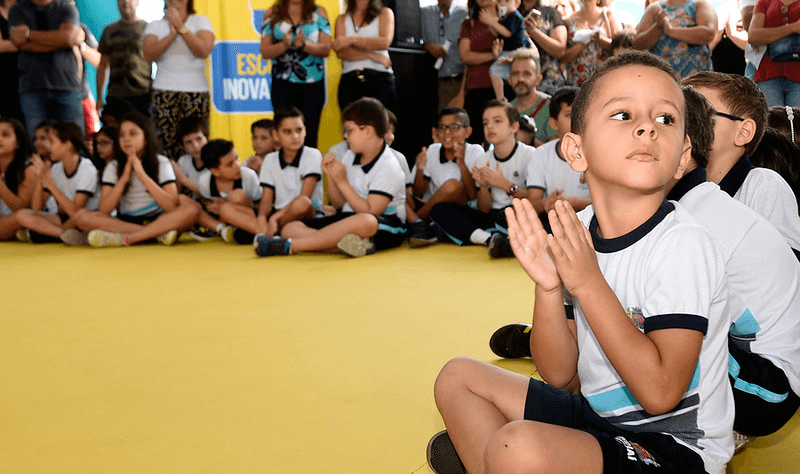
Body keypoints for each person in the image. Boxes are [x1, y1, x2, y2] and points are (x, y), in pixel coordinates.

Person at [427, 52, 734, 474]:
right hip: (601, 421)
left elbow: (661, 394)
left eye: (665, 119)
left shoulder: (684, 245)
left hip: (674, 450)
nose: (646, 127)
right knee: (457, 377)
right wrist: (549, 286)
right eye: (623, 114)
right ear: (576, 151)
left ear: (683, 156)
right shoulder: (578, 229)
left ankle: (499, 460)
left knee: (517, 447)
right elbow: (558, 372)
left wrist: (588, 283)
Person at [666, 85, 800, 441]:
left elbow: (783, 276)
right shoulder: (686, 197)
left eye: (700, 111)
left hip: (752, 349)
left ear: (743, 131)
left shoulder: (762, 184)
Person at [254, 97, 406, 257]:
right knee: (290, 228)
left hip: (387, 224)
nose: (346, 136)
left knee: (365, 221)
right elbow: (338, 203)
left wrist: (342, 181)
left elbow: (371, 211)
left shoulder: (388, 164)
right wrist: (332, 177)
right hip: (349, 217)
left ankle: (289, 246)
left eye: (350, 130)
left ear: (367, 131)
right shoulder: (349, 155)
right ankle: (350, 245)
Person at [683, 71, 800, 257]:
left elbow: (784, 267)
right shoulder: (670, 186)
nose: (684, 125)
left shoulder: (763, 185)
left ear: (743, 132)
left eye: (699, 115)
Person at [69, 111, 200, 247]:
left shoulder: (161, 162)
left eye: (133, 134)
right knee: (80, 217)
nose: (126, 139)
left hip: (159, 218)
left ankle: (129, 238)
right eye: (122, 135)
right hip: (127, 222)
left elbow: (171, 206)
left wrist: (141, 174)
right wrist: (124, 178)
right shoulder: (113, 166)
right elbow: (104, 211)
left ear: (146, 137)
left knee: (193, 209)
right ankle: (156, 234)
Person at [429, 99, 533, 255]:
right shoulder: (483, 159)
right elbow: (484, 209)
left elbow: (535, 200)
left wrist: (504, 184)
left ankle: (501, 239)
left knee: (505, 215)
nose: (490, 126)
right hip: (491, 218)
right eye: (485, 123)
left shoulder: (530, 155)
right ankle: (489, 238)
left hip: (517, 215)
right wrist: (483, 186)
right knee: (439, 209)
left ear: (514, 126)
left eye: (497, 121)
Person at [221, 106, 322, 242]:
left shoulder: (313, 154)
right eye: (287, 132)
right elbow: (267, 201)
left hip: (306, 214)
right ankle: (270, 234)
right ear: (276, 135)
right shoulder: (270, 159)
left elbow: (305, 197)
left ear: (305, 130)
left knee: (302, 203)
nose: (295, 136)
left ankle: (264, 234)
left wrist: (274, 218)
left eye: (299, 130)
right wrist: (262, 218)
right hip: (279, 213)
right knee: (226, 209)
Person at [143, 0, 214, 161]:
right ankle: (171, 183)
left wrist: (181, 27)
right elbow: (148, 54)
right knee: (167, 143)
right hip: (164, 90)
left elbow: (203, 50)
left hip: (196, 90)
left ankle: (197, 183)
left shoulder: (201, 21)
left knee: (197, 142)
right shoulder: (156, 25)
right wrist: (172, 34)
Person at [408, 107, 484, 246]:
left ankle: (415, 223)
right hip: (433, 209)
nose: (447, 132)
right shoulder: (433, 150)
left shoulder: (476, 151)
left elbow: (472, 195)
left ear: (467, 132)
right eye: (442, 127)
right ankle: (422, 224)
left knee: (452, 186)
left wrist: (461, 163)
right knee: (401, 194)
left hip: (462, 210)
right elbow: (419, 192)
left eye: (454, 127)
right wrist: (419, 170)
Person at [260, 0, 331, 148]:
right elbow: (265, 51)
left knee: (310, 136)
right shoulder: (272, 13)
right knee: (283, 136)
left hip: (312, 84)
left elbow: (326, 49)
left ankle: (309, 171)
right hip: (282, 84)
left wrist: (304, 45)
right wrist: (284, 45)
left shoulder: (319, 13)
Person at [7, 0, 83, 136]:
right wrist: (60, 40)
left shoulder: (66, 7)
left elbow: (68, 38)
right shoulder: (17, 10)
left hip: (66, 86)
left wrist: (29, 35)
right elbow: (19, 42)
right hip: (31, 88)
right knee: (39, 143)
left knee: (73, 143)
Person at [14, 122, 98, 243]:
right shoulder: (56, 168)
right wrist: (40, 178)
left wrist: (51, 185)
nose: (48, 147)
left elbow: (75, 212)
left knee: (79, 217)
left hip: (85, 218)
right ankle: (64, 234)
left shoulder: (87, 168)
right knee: (22, 215)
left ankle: (47, 234)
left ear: (67, 144)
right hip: (64, 219)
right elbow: (37, 208)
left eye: (52, 142)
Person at [193, 139, 263, 244]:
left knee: (236, 196)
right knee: (194, 207)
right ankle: (223, 230)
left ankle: (244, 230)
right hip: (222, 220)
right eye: (230, 164)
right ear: (215, 171)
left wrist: (225, 205)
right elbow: (208, 204)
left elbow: (260, 205)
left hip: (247, 216)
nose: (237, 165)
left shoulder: (248, 176)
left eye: (237, 158)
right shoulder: (205, 182)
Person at [333, 0, 396, 113]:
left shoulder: (385, 13)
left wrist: (350, 40)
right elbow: (341, 52)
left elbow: (384, 42)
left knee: (382, 127)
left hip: (381, 80)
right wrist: (371, 55)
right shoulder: (342, 19)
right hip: (350, 81)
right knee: (352, 126)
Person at [97, 0, 153, 119]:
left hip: (142, 94)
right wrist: (99, 97)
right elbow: (102, 65)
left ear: (137, 3)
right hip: (115, 94)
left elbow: (157, 60)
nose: (126, 2)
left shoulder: (148, 29)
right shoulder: (109, 30)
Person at [633, 0, 717, 78]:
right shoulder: (654, 9)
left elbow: (708, 33)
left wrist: (671, 31)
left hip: (696, 80)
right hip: (663, 80)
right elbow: (638, 45)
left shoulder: (699, 4)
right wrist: (657, 27)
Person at [459, 0, 504, 145]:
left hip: (503, 86)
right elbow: (465, 56)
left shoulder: (509, 20)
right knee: (474, 140)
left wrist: (494, 23)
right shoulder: (469, 23)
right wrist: (493, 55)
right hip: (476, 88)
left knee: (503, 135)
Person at [746, 0, 800, 108]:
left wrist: (769, 34)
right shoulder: (764, 2)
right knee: (770, 122)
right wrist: (792, 28)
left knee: (797, 123)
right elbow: (753, 36)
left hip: (797, 77)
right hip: (767, 75)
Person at [421, 0, 469, 113]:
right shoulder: (425, 13)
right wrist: (427, 46)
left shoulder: (463, 13)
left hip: (461, 79)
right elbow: (412, 38)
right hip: (433, 81)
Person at [561, 0, 620, 86]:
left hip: (604, 80)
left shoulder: (607, 14)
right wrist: (582, 43)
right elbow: (562, 58)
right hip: (576, 82)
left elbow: (620, 47)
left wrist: (600, 39)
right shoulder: (569, 21)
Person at [508, 48, 556, 146]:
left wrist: (527, 139)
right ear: (509, 80)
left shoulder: (551, 107)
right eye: (515, 74)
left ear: (538, 79)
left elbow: (555, 153)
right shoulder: (506, 110)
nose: (520, 79)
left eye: (527, 74)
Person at [520, 0, 569, 95]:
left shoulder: (550, 13)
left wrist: (533, 31)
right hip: (519, 81)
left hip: (549, 82)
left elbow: (560, 50)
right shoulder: (511, 13)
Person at [485, 0, 531, 100]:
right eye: (500, 1)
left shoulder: (515, 16)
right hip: (507, 52)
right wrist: (491, 23)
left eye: (507, 1)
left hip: (517, 51)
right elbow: (497, 33)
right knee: (497, 72)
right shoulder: (504, 18)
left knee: (495, 71)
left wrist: (492, 22)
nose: (503, 4)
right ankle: (501, 98)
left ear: (517, 3)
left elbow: (507, 33)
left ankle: (501, 98)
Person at [0, 117, 36, 240]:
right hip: (5, 223)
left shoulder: (28, 169)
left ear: (17, 143)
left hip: (26, 219)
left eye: (5, 135)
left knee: (21, 215)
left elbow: (20, 209)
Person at [172, 115, 209, 199]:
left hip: (219, 205)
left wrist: (182, 178)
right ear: (182, 146)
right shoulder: (184, 161)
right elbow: (175, 192)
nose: (195, 146)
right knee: (181, 199)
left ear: (207, 139)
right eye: (189, 142)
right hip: (198, 204)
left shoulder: (217, 160)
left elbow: (209, 194)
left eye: (199, 139)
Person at [0, 0, 23, 124]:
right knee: (10, 121)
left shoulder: (29, 8)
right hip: (5, 77)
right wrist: (31, 41)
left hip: (30, 75)